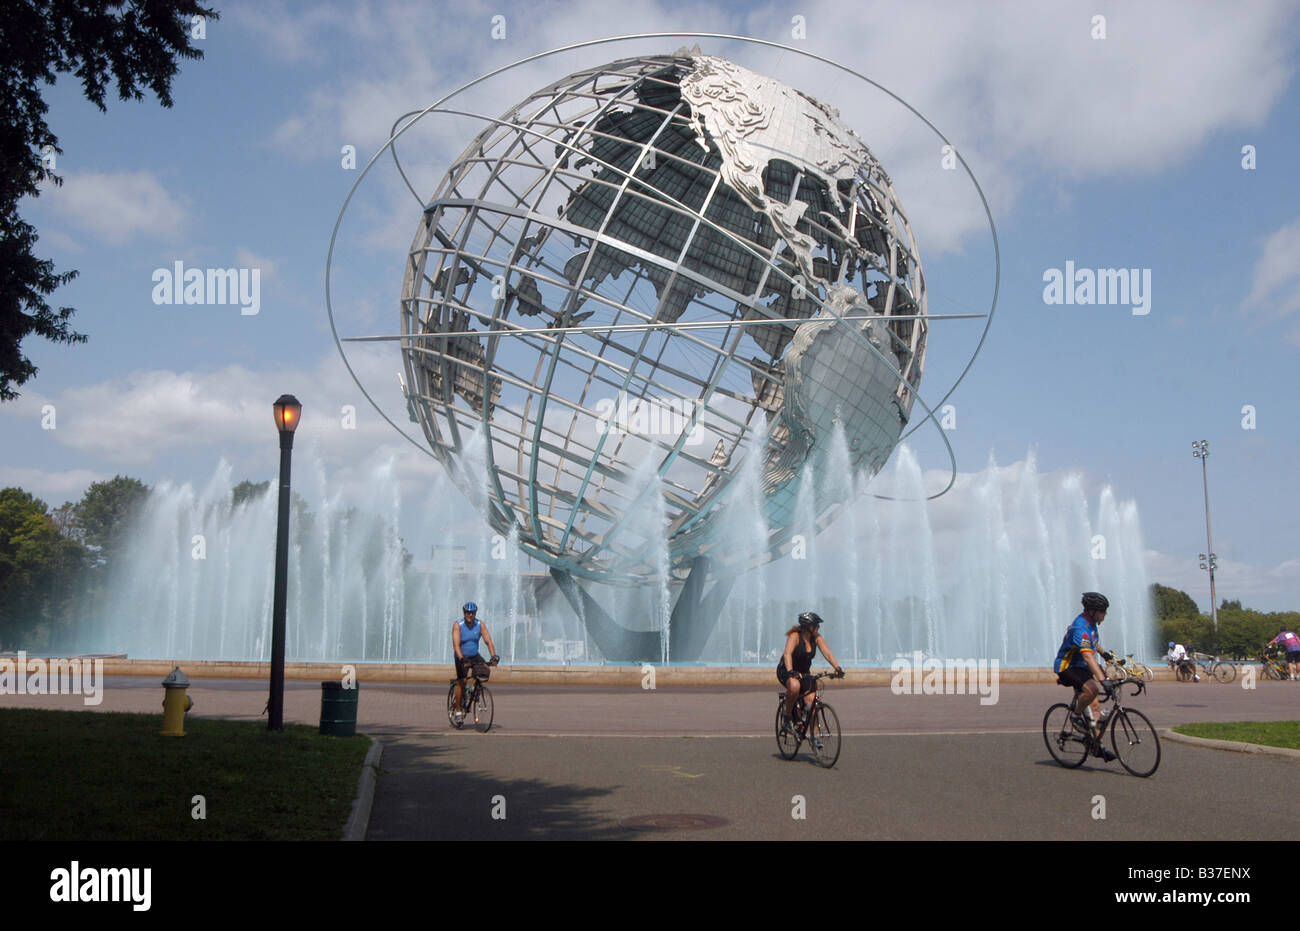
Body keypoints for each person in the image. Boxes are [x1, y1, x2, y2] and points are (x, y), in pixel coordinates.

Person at [1052, 592, 1118, 762]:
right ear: (1092, 611)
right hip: (1067, 667)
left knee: (1096, 707)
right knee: (1093, 688)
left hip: (1081, 667)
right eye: (1102, 611)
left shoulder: (1091, 623)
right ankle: (1075, 716)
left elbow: (1093, 643)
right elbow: (1088, 656)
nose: (1105, 615)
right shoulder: (1080, 627)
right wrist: (1103, 680)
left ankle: (1095, 745)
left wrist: (1105, 655)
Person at [777, 612, 844, 745]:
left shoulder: (816, 638)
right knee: (795, 687)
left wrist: (837, 667)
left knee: (812, 702)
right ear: (808, 627)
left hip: (804, 673)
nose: (818, 628)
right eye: (816, 625)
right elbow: (787, 654)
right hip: (786, 670)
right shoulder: (795, 637)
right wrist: (791, 672)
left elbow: (827, 653)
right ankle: (787, 717)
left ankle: (815, 736)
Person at [452, 602, 498, 723]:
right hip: (461, 656)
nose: (470, 615)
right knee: (462, 682)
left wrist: (493, 656)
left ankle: (474, 689)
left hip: (474, 655)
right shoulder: (458, 625)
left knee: (485, 669)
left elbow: (488, 641)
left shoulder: (480, 624)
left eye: (472, 613)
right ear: (464, 613)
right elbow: (456, 645)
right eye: (468, 612)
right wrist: (462, 658)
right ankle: (457, 711)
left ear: (475, 613)